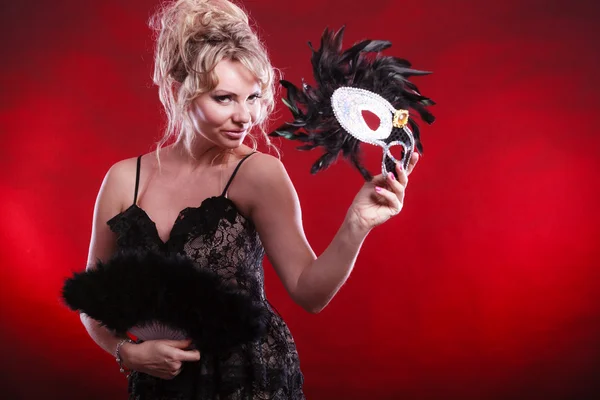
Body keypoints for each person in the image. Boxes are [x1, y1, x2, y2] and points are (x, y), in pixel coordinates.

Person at [80, 0, 419, 398]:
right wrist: (128, 354)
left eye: (254, 97)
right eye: (224, 98)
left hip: (251, 381)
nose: (246, 117)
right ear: (179, 91)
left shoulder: (259, 174)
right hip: (160, 387)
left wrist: (356, 225)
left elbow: (309, 293)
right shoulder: (124, 180)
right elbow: (93, 301)